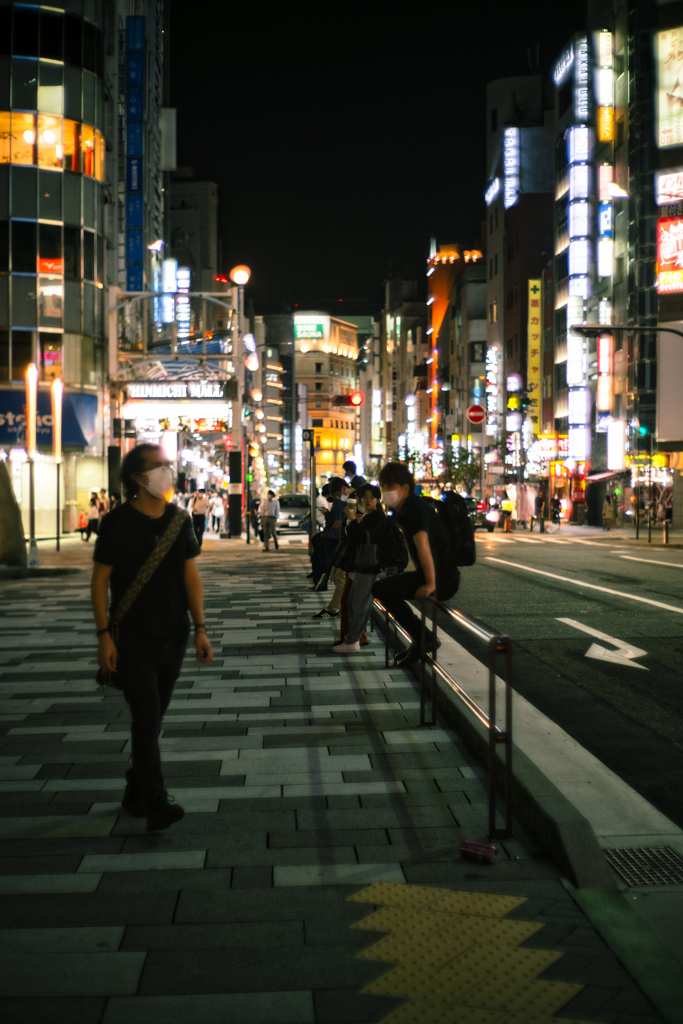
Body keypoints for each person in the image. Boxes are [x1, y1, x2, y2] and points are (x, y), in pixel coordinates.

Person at [91, 443, 212, 832]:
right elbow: (100, 581)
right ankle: (156, 802)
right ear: (136, 478)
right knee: (145, 717)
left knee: (153, 719)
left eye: (166, 464)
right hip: (132, 638)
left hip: (173, 635)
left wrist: (201, 628)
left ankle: (135, 786)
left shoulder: (179, 519)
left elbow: (190, 576)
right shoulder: (116, 523)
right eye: (157, 466)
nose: (166, 471)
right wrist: (104, 636)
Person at [372, 462, 459, 666]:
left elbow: (423, 546)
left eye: (389, 486)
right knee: (383, 588)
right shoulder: (408, 509)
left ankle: (424, 639)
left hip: (442, 579)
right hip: (436, 575)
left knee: (382, 589)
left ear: (404, 488)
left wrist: (430, 583)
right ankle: (421, 639)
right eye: (383, 486)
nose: (385, 491)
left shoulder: (414, 509)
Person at [335, 483, 408, 653]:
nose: (368, 500)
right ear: (360, 499)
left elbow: (362, 538)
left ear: (377, 499)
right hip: (363, 566)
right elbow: (357, 537)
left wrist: (352, 520)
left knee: (359, 605)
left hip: (369, 567)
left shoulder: (376, 517)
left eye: (372, 497)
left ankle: (353, 642)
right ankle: (354, 638)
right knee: (353, 604)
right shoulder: (370, 517)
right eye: (365, 497)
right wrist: (354, 522)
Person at [312, 477, 347, 616]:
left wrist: (327, 514)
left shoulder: (339, 503)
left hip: (334, 537)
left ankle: (335, 607)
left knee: (338, 575)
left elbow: (336, 522)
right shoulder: (344, 502)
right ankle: (335, 607)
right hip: (337, 538)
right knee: (338, 575)